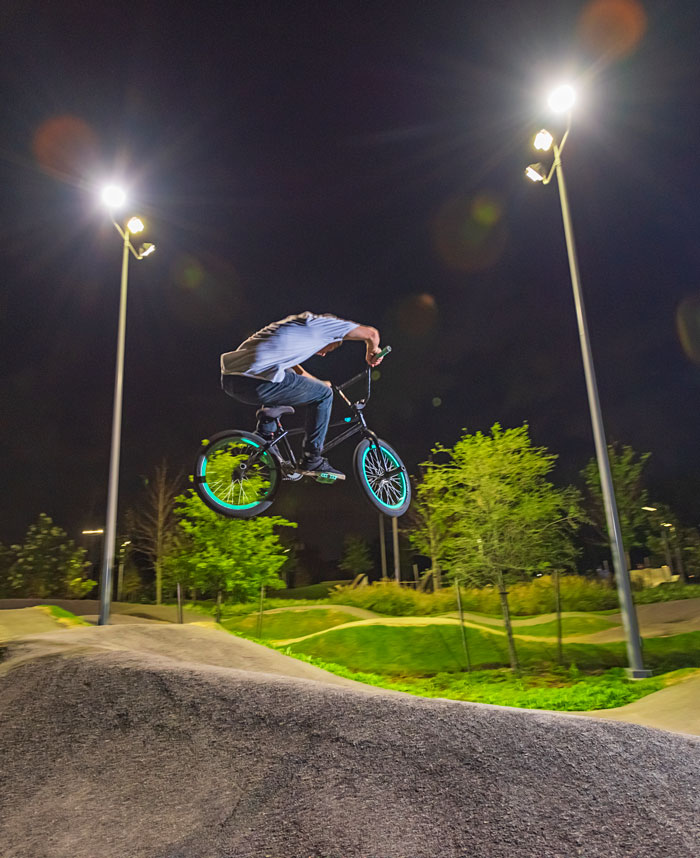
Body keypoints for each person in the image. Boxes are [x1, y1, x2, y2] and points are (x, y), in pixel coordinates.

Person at [220, 311, 383, 478]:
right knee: (325, 395)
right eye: (330, 348)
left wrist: (318, 383)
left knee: (286, 373)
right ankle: (312, 459)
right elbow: (371, 333)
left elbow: (299, 372)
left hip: (233, 380)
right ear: (333, 337)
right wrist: (373, 350)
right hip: (258, 379)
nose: (324, 353)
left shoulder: (296, 328)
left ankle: (265, 435)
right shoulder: (326, 326)